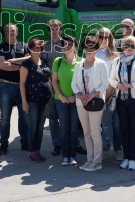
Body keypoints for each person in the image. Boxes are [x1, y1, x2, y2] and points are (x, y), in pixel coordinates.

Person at [42, 19, 86, 156]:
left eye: (56, 27)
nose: (54, 29)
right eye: (51, 27)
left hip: (71, 86)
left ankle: (76, 144)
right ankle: (57, 144)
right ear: (49, 30)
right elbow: (42, 63)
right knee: (53, 117)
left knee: (73, 119)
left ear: (60, 29)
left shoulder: (66, 43)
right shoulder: (45, 46)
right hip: (52, 86)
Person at [109, 35, 135, 170]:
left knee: (134, 129)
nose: (130, 48)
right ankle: (126, 157)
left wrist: (130, 85)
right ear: (122, 47)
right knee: (124, 130)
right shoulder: (117, 61)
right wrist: (118, 85)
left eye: (133, 46)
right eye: (127, 45)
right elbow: (112, 79)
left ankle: (132, 158)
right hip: (121, 100)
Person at [72, 37, 109, 172]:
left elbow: (105, 83)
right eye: (87, 47)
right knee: (86, 132)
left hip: (95, 102)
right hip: (81, 102)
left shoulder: (101, 64)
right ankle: (89, 159)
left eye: (92, 47)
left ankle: (97, 161)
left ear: (96, 48)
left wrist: (92, 95)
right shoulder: (78, 64)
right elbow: (74, 84)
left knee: (94, 132)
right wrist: (81, 96)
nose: (89, 50)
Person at [0, 23, 29, 156]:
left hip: (22, 86)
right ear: (5, 33)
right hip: (6, 86)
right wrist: (20, 65)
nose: (11, 33)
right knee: (5, 118)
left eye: (13, 31)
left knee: (24, 117)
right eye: (8, 31)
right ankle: (3, 144)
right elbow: (2, 65)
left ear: (17, 32)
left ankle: (25, 142)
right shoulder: (0, 47)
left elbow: (29, 60)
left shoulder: (24, 46)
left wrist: (12, 61)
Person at [20, 38, 52, 162]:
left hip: (44, 100)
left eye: (39, 48)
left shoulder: (43, 61)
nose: (37, 50)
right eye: (34, 48)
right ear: (30, 49)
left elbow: (48, 78)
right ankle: (32, 151)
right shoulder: (26, 64)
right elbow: (22, 83)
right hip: (32, 101)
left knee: (40, 127)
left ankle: (37, 150)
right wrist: (24, 101)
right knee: (32, 127)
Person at [52, 35, 81, 166]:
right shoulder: (57, 61)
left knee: (74, 129)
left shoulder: (81, 62)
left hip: (76, 100)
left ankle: (73, 156)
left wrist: (75, 97)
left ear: (75, 46)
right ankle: (65, 156)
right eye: (65, 44)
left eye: (70, 44)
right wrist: (62, 97)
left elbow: (84, 84)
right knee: (63, 128)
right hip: (61, 100)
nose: (67, 47)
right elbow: (54, 81)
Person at [95, 27, 123, 161]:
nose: (104, 39)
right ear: (96, 38)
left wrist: (107, 95)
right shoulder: (92, 54)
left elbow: (115, 77)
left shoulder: (115, 55)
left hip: (114, 94)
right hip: (97, 93)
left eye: (107, 37)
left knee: (116, 123)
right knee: (105, 124)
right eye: (101, 36)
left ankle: (117, 149)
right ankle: (105, 149)